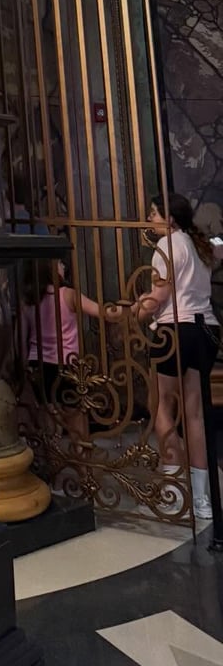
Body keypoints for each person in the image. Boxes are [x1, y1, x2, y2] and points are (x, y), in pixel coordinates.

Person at [136, 193, 221, 520]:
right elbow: (220, 246)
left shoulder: (167, 245)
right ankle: (201, 501)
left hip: (174, 330)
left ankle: (173, 493)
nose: (149, 219)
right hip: (207, 330)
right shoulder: (201, 246)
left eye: (154, 213)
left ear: (170, 218)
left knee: (161, 406)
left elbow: (159, 295)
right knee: (194, 413)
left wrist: (135, 312)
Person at [22, 256, 104, 448]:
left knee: (47, 417)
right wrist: (132, 309)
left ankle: (50, 461)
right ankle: (82, 461)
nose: (63, 266)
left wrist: (23, 367)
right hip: (67, 363)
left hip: (38, 364)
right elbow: (100, 311)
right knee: (76, 416)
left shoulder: (28, 300)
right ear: (49, 268)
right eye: (59, 262)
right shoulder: (68, 294)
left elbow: (21, 337)